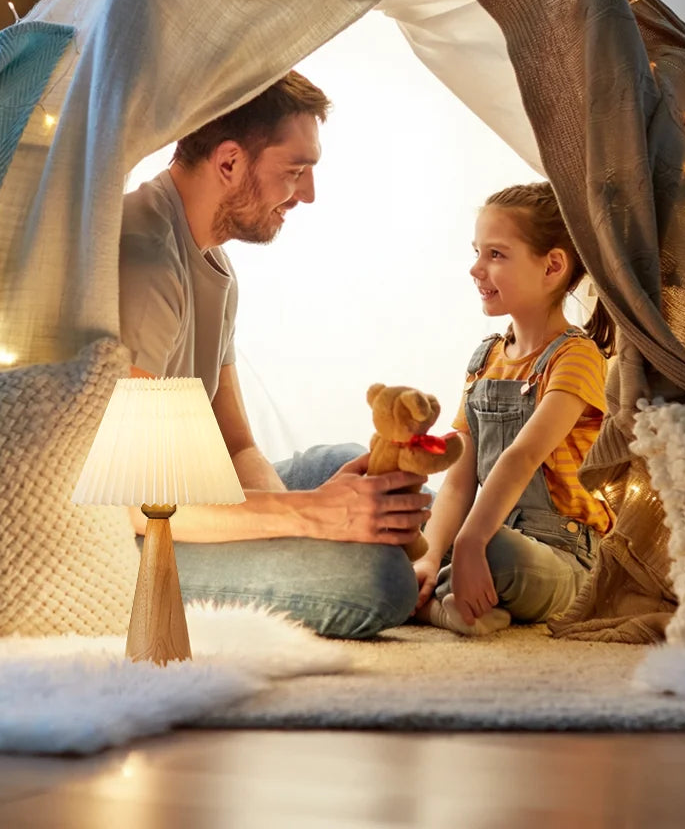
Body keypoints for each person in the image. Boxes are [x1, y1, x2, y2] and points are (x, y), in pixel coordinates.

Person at [118, 70, 428, 638]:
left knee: (359, 467)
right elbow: (137, 500)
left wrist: (320, 514)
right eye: (296, 170)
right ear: (230, 162)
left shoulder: (214, 262)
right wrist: (311, 515)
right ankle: (433, 577)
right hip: (135, 534)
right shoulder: (145, 264)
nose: (307, 194)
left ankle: (453, 561)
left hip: (192, 497)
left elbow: (235, 443)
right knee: (377, 580)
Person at [414, 181, 615, 636]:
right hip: (485, 528)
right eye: (477, 251)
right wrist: (429, 553)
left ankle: (434, 600)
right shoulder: (486, 359)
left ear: (553, 266)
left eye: (496, 255)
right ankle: (443, 597)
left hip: (558, 554)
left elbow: (521, 457)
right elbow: (459, 479)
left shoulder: (577, 358)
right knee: (400, 525)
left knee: (497, 554)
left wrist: (468, 544)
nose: (475, 268)